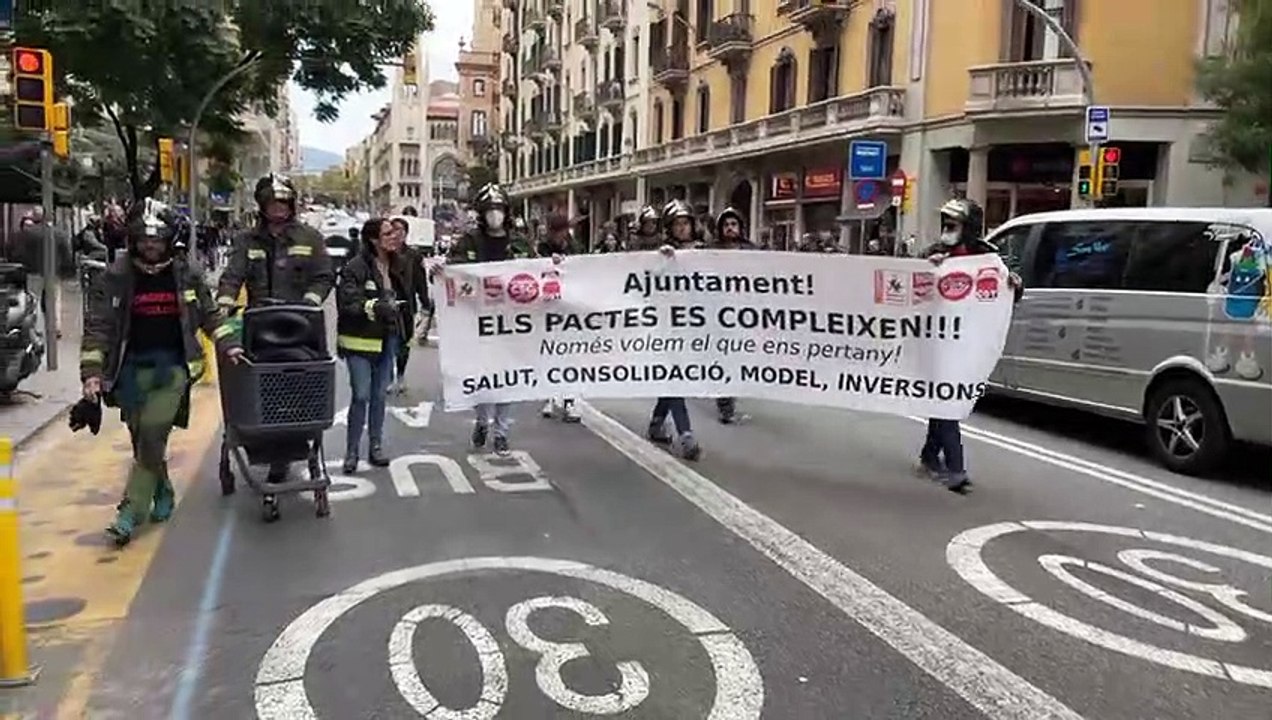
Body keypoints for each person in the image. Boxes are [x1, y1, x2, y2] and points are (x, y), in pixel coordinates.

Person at [80, 204, 243, 546]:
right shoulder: (116, 275)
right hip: (129, 371)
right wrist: (92, 373)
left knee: (153, 435)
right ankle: (163, 492)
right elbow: (99, 327)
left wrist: (229, 344)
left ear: (170, 241)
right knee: (142, 440)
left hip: (173, 368)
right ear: (133, 240)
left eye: (157, 240)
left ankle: (129, 512)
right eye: (144, 239)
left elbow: (210, 316)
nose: (150, 246)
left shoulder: (187, 273)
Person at [216, 173, 334, 483]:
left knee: (296, 385)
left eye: (283, 203)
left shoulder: (309, 238)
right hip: (258, 326)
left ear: (292, 205)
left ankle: (292, 444)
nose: (278, 209)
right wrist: (225, 302)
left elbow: (324, 275)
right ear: (263, 206)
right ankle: (262, 442)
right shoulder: (247, 241)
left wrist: (310, 302)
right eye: (273, 203)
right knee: (259, 385)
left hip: (300, 327)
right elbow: (232, 276)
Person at [919, 198, 1022, 493]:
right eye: (946, 223)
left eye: (954, 224)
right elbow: (915, 286)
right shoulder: (933, 254)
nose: (947, 229)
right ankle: (956, 467)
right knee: (947, 399)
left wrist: (1015, 283)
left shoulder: (990, 256)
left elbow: (1009, 290)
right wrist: (929, 268)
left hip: (969, 342)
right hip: (938, 341)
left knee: (945, 400)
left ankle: (929, 456)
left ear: (970, 227)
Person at [445, 183, 530, 455]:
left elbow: (538, 270)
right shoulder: (469, 241)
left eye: (499, 209)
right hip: (478, 321)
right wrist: (441, 269)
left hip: (512, 323)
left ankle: (502, 432)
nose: (495, 214)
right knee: (483, 378)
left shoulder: (519, 242)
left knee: (508, 380)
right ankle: (482, 421)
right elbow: (452, 269)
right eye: (490, 209)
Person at [335, 218, 411, 472]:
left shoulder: (399, 264)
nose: (394, 237)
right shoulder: (355, 267)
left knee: (379, 396)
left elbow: (409, 295)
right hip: (359, 342)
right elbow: (347, 304)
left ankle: (375, 446)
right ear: (373, 240)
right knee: (361, 395)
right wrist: (375, 307)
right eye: (388, 233)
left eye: (396, 233)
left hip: (388, 340)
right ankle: (352, 451)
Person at [647, 200, 702, 460]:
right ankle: (686, 434)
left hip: (695, 323)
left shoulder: (703, 252)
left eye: (686, 223)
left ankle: (657, 422)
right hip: (667, 324)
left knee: (676, 377)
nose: (683, 228)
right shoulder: (661, 252)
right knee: (675, 376)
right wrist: (664, 262)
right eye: (678, 224)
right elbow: (648, 282)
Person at [536, 212, 582, 422]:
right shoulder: (542, 247)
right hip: (548, 306)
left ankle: (570, 400)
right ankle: (551, 396)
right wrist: (547, 262)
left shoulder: (574, 247)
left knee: (570, 355)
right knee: (550, 353)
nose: (559, 235)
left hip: (569, 307)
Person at [711, 206, 755, 425]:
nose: (730, 228)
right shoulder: (710, 251)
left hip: (744, 314)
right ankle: (725, 406)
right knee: (724, 358)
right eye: (726, 225)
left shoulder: (751, 250)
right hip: (718, 314)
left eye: (733, 224)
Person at [387, 217, 431, 394]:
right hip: (386, 305)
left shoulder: (413, 256)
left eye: (401, 230)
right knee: (388, 341)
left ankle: (401, 375)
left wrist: (425, 302)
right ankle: (388, 376)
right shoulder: (382, 253)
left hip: (406, 305)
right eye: (394, 230)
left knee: (404, 343)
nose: (397, 234)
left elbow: (420, 281)